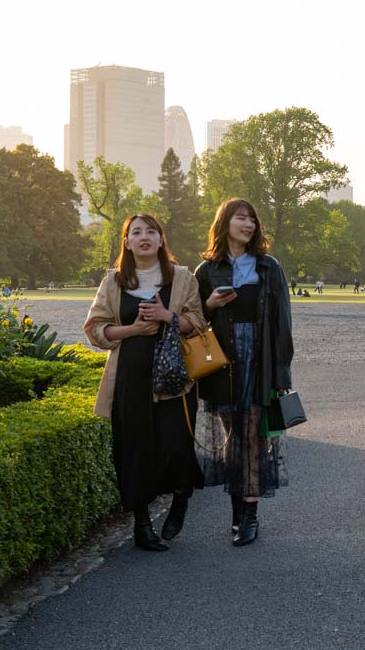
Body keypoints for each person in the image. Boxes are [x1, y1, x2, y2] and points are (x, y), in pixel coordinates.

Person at [82, 213, 207, 551]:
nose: (144, 237)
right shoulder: (113, 281)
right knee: (134, 453)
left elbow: (198, 322)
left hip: (174, 379)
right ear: (126, 242)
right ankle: (141, 525)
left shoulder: (181, 278)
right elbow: (95, 328)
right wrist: (133, 330)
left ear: (161, 239)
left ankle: (181, 497)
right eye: (136, 232)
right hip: (129, 379)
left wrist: (168, 317)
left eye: (151, 231)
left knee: (177, 449)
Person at [195, 198, 295, 547]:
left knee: (254, 436)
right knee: (232, 438)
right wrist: (209, 305)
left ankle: (250, 516)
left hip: (261, 359)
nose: (249, 224)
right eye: (241, 218)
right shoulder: (206, 271)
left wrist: (282, 375)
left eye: (252, 219)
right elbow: (192, 322)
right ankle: (237, 509)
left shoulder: (269, 267)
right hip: (224, 364)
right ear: (225, 223)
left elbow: (282, 323)